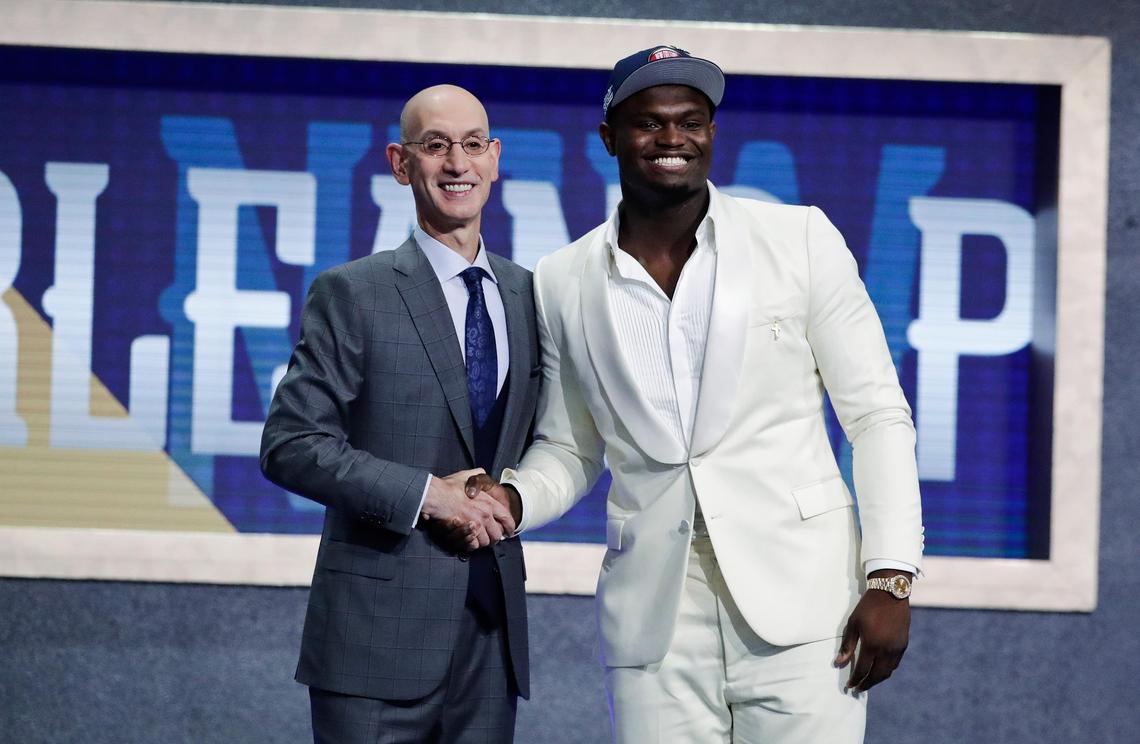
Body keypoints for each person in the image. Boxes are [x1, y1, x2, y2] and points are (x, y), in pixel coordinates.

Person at [467, 46, 924, 743]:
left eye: (691, 121)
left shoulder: (799, 239)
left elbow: (877, 416)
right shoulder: (562, 279)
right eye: (649, 123)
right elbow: (570, 444)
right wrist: (514, 497)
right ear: (610, 138)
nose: (672, 137)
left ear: (712, 134)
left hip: (805, 605)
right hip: (654, 615)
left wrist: (890, 577)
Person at [261, 84, 538, 744]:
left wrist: (516, 498)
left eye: (473, 144)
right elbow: (291, 443)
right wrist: (428, 497)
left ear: (495, 158)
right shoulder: (353, 292)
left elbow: (556, 441)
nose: (456, 163)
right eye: (434, 145)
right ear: (399, 162)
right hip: (372, 645)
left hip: (490, 636)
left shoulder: (532, 296)